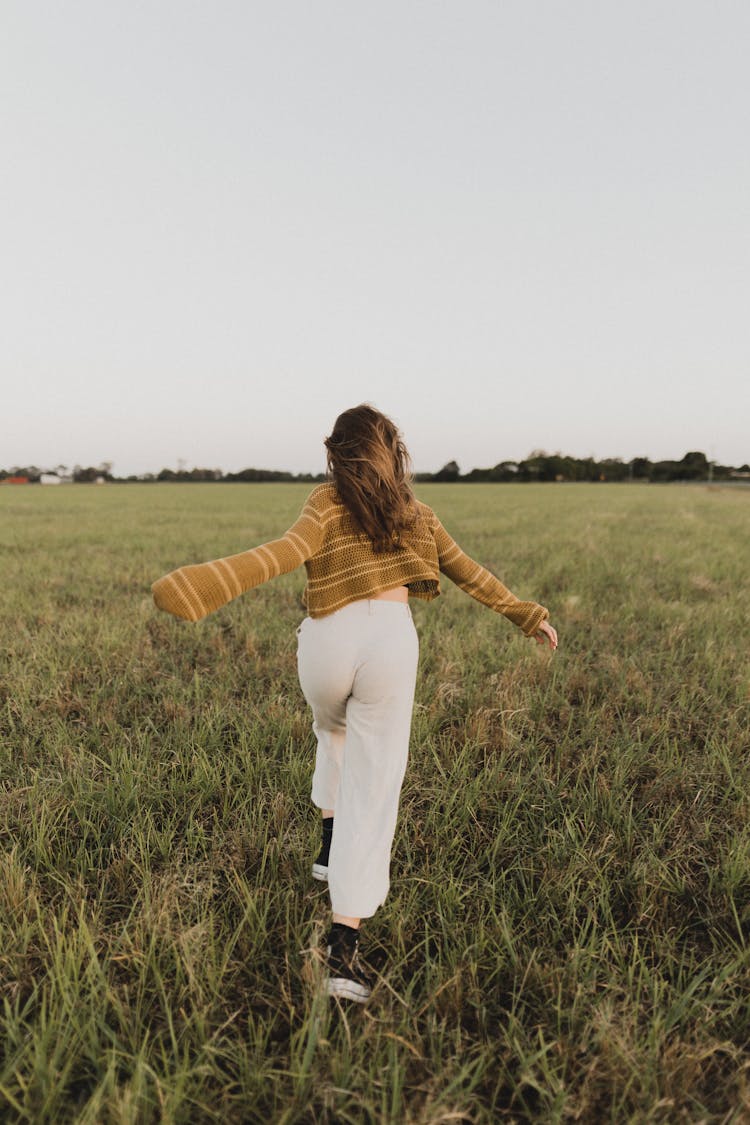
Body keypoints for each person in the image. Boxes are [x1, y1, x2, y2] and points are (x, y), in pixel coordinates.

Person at [152, 404, 557, 1003]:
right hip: (392, 643)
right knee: (376, 782)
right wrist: (528, 615)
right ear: (395, 454)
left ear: (335, 454)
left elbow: (286, 552)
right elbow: (471, 574)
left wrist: (214, 579)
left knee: (330, 730)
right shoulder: (418, 514)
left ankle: (326, 838)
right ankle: (342, 950)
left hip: (327, 645)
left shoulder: (325, 501)